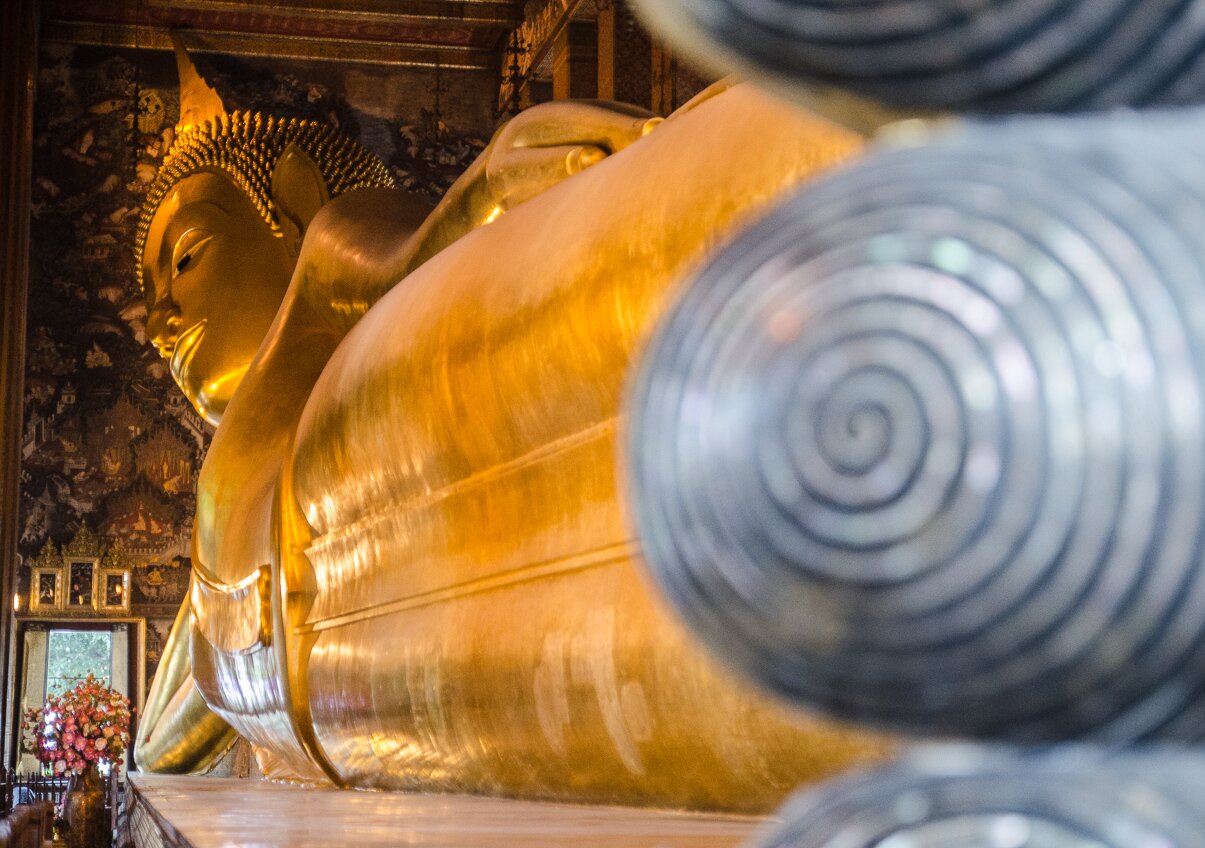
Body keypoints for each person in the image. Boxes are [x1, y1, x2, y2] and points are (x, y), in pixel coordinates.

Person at [135, 40, 888, 808]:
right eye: (154, 293)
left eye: (188, 256)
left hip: (371, 447)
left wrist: (479, 190)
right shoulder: (230, 491)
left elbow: (395, 256)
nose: (160, 319)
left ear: (290, 202)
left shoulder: (329, 249)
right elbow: (177, 718)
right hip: (359, 661)